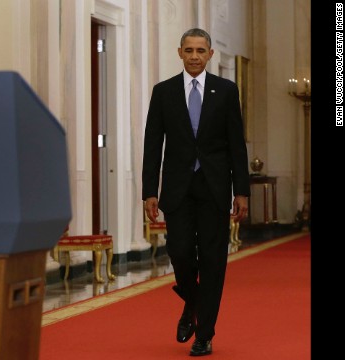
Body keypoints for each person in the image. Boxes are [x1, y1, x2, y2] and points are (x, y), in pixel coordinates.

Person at [142, 28, 250, 356]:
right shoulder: (163, 92)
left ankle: (204, 334)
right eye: (188, 50)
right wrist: (149, 191)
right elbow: (152, 144)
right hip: (177, 189)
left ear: (210, 55)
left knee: (214, 261)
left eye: (200, 50)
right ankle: (191, 302)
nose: (194, 56)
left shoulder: (226, 91)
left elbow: (236, 144)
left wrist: (241, 190)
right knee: (180, 253)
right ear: (179, 53)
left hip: (214, 188)